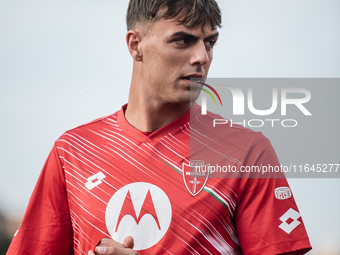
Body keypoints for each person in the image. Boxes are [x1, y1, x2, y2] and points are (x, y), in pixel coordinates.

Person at [7, 0, 312, 254]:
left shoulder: (247, 152)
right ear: (135, 45)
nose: (202, 58)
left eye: (210, 42)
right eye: (183, 40)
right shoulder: (73, 151)